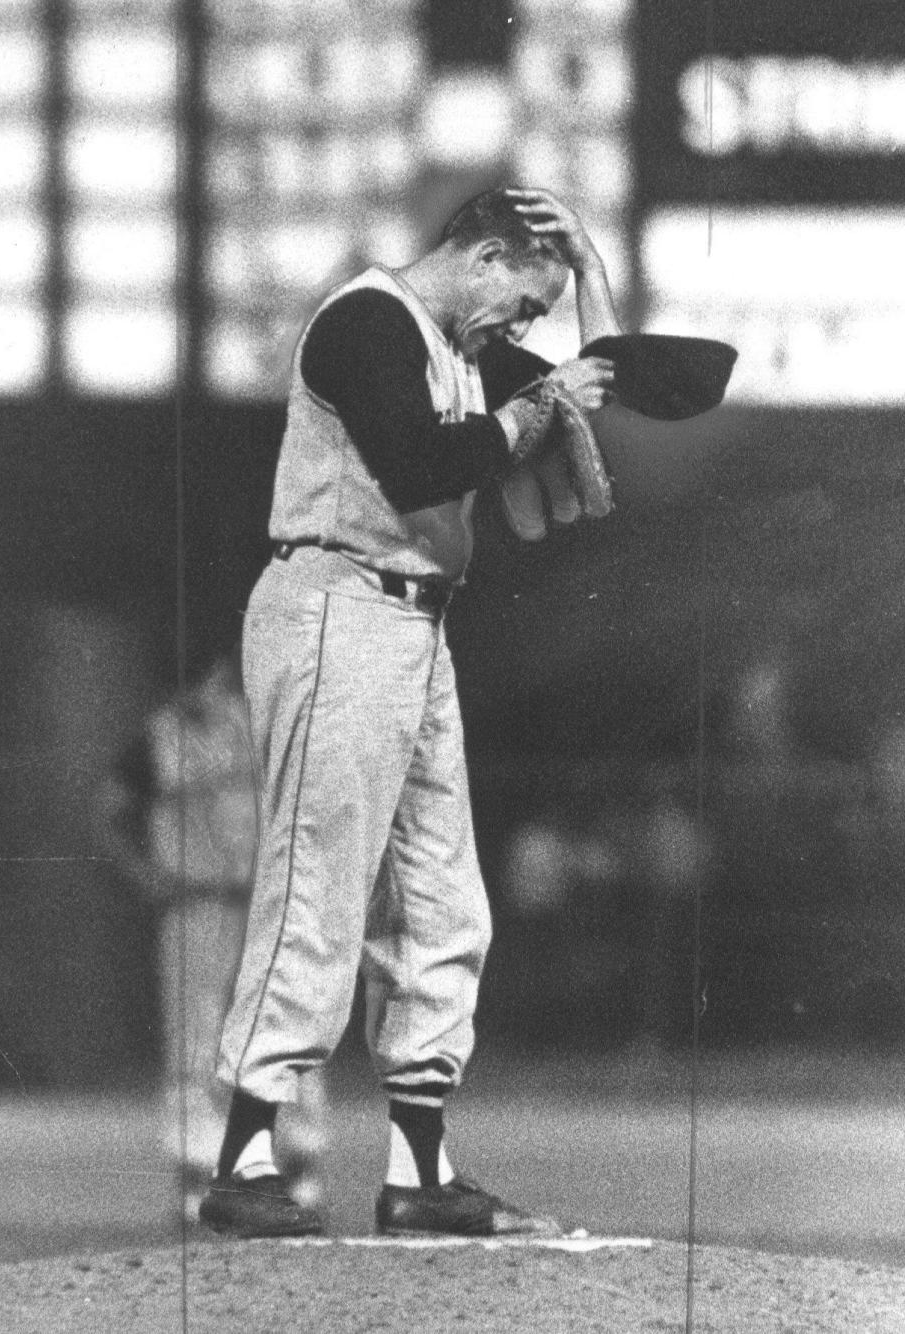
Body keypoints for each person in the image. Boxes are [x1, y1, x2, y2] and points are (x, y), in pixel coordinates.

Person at [198, 186, 621, 1239]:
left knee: (442, 899)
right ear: (482, 256)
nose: (525, 328)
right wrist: (535, 402)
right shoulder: (367, 320)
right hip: (335, 602)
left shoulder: (461, 347)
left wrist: (591, 263)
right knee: (320, 884)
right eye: (524, 300)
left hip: (415, 625)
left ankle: (419, 1171)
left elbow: (626, 385)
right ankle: (245, 1157)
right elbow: (422, 462)